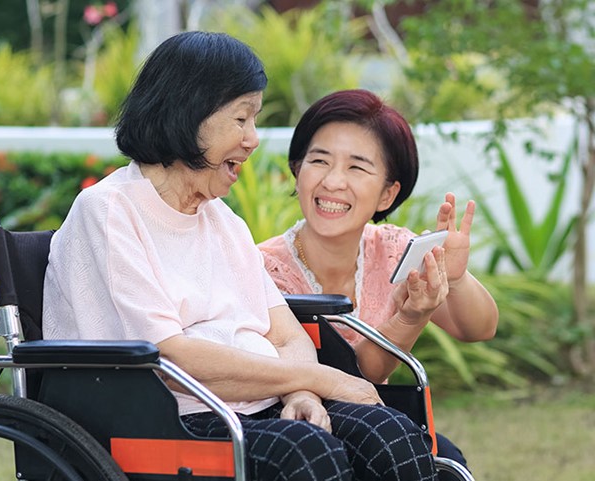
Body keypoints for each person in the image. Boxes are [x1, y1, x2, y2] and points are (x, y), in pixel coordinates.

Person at [43, 32, 446, 481]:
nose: (252, 139)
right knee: (308, 454)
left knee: (388, 431)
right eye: (241, 118)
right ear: (188, 113)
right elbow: (172, 357)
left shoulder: (222, 221)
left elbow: (287, 334)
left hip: (258, 403)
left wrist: (302, 394)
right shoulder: (111, 211)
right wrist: (323, 381)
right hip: (164, 418)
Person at [258, 89, 500, 472]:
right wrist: (410, 318)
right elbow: (352, 378)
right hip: (300, 435)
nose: (334, 182)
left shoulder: (393, 250)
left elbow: (480, 328)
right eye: (319, 160)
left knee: (448, 459)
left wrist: (455, 278)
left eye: (357, 167)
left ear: (388, 193)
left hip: (380, 424)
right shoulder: (262, 269)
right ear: (297, 169)